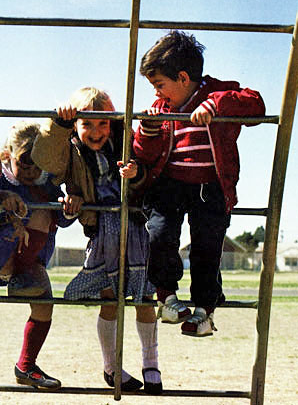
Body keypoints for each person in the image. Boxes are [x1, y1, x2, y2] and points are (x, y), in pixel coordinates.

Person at [133, 30, 266, 337]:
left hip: (211, 187)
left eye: (159, 85)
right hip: (170, 184)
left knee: (206, 247)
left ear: (182, 77)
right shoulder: (161, 109)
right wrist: (149, 130)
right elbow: (144, 153)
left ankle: (204, 311)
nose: (157, 93)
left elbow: (255, 105)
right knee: (161, 235)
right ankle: (166, 297)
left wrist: (217, 105)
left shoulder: (216, 92)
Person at [31, 87, 163, 395]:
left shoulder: (123, 140)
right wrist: (60, 124)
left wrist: (136, 172)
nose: (95, 131)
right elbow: (45, 158)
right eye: (86, 123)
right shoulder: (70, 147)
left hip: (135, 225)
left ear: (112, 121)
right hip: (101, 229)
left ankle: (151, 364)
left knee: (144, 296)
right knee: (109, 299)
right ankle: (111, 366)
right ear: (76, 125)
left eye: (102, 123)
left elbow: (149, 163)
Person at [0, 120, 77, 390]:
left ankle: (26, 365)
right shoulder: (0, 176)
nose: (31, 171)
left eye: (37, 164)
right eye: (24, 163)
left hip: (28, 262)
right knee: (28, 210)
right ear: (7, 155)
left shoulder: (45, 184)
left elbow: (64, 221)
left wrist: (69, 206)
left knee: (44, 305)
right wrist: (2, 195)